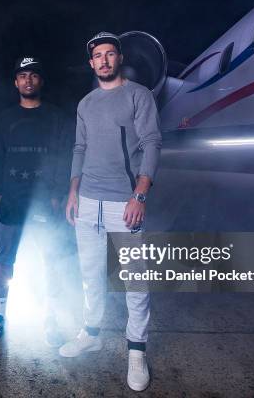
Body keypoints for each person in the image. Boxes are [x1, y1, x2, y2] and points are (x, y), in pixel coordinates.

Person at [59, 32, 162, 392]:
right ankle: (91, 334)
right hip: (87, 203)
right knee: (90, 275)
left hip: (124, 203)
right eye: (97, 56)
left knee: (135, 279)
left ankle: (136, 349)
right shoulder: (85, 104)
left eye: (109, 54)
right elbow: (79, 147)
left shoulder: (138, 95)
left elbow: (151, 142)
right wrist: (73, 192)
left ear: (119, 58)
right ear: (91, 63)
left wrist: (140, 194)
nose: (103, 60)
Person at [0, 57, 70, 347]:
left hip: (46, 202)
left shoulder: (56, 116)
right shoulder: (5, 117)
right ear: (16, 82)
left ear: (40, 81)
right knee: (5, 259)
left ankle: (52, 319)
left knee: (51, 261)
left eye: (33, 75)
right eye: (22, 75)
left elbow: (65, 157)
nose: (28, 80)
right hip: (11, 201)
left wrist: (59, 194)